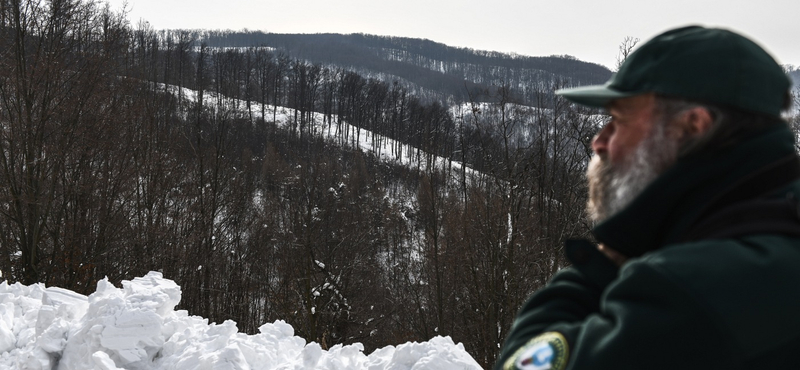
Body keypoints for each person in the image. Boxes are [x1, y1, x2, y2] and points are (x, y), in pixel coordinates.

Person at [495, 25, 800, 370]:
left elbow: (523, 363)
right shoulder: (776, 230)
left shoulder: (693, 290)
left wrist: (607, 259)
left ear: (692, 127)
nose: (599, 142)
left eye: (617, 120)